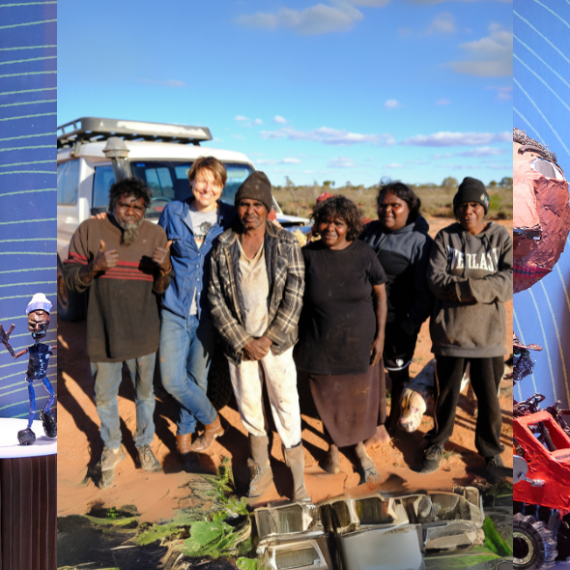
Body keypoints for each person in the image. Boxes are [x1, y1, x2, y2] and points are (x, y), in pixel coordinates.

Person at [208, 171, 309, 502]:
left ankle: (297, 478)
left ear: (268, 208)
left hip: (276, 343)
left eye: (257, 205)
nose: (250, 211)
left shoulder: (285, 243)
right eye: (243, 204)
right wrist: (242, 340)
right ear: (236, 208)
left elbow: (295, 293)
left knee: (285, 402)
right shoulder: (223, 246)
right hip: (240, 346)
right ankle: (262, 467)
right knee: (249, 404)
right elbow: (215, 298)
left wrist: (269, 337)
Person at [64, 177, 172, 488]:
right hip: (103, 333)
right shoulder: (90, 230)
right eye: (124, 205)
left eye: (137, 207)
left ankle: (143, 443)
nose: (130, 212)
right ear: (113, 205)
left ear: (144, 211)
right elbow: (71, 279)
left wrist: (165, 269)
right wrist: (93, 268)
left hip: (143, 334)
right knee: (103, 396)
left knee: (145, 395)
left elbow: (162, 288)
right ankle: (112, 447)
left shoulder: (155, 234)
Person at [423, 177, 512, 480]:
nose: (468, 210)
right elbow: (435, 279)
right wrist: (471, 290)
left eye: (474, 204)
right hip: (450, 333)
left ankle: (489, 451)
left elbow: (509, 280)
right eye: (462, 205)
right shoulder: (445, 238)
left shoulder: (501, 237)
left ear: (484, 206)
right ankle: (437, 443)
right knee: (446, 394)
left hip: (488, 335)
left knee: (488, 397)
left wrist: (468, 287)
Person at [296, 196, 388, 482]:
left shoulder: (364, 254)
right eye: (325, 221)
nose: (330, 227)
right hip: (320, 343)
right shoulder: (308, 255)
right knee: (329, 399)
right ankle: (333, 446)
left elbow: (381, 294)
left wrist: (380, 336)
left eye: (339, 222)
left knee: (358, 399)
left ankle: (359, 448)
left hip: (360, 342)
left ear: (350, 226)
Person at [158, 157, 236, 462]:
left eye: (214, 183)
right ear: (191, 182)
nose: (207, 188)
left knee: (198, 380)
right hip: (175, 307)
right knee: (172, 380)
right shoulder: (173, 212)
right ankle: (212, 422)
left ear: (221, 187)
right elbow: (155, 246)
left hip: (209, 311)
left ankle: (184, 437)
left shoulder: (228, 216)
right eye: (202, 180)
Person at [360, 181, 433, 442]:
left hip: (398, 323)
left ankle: (394, 420)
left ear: (409, 208)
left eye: (395, 205)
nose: (387, 210)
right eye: (383, 205)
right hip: (365, 320)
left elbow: (426, 293)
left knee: (397, 374)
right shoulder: (369, 232)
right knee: (370, 370)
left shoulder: (420, 242)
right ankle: (373, 420)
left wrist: (409, 325)